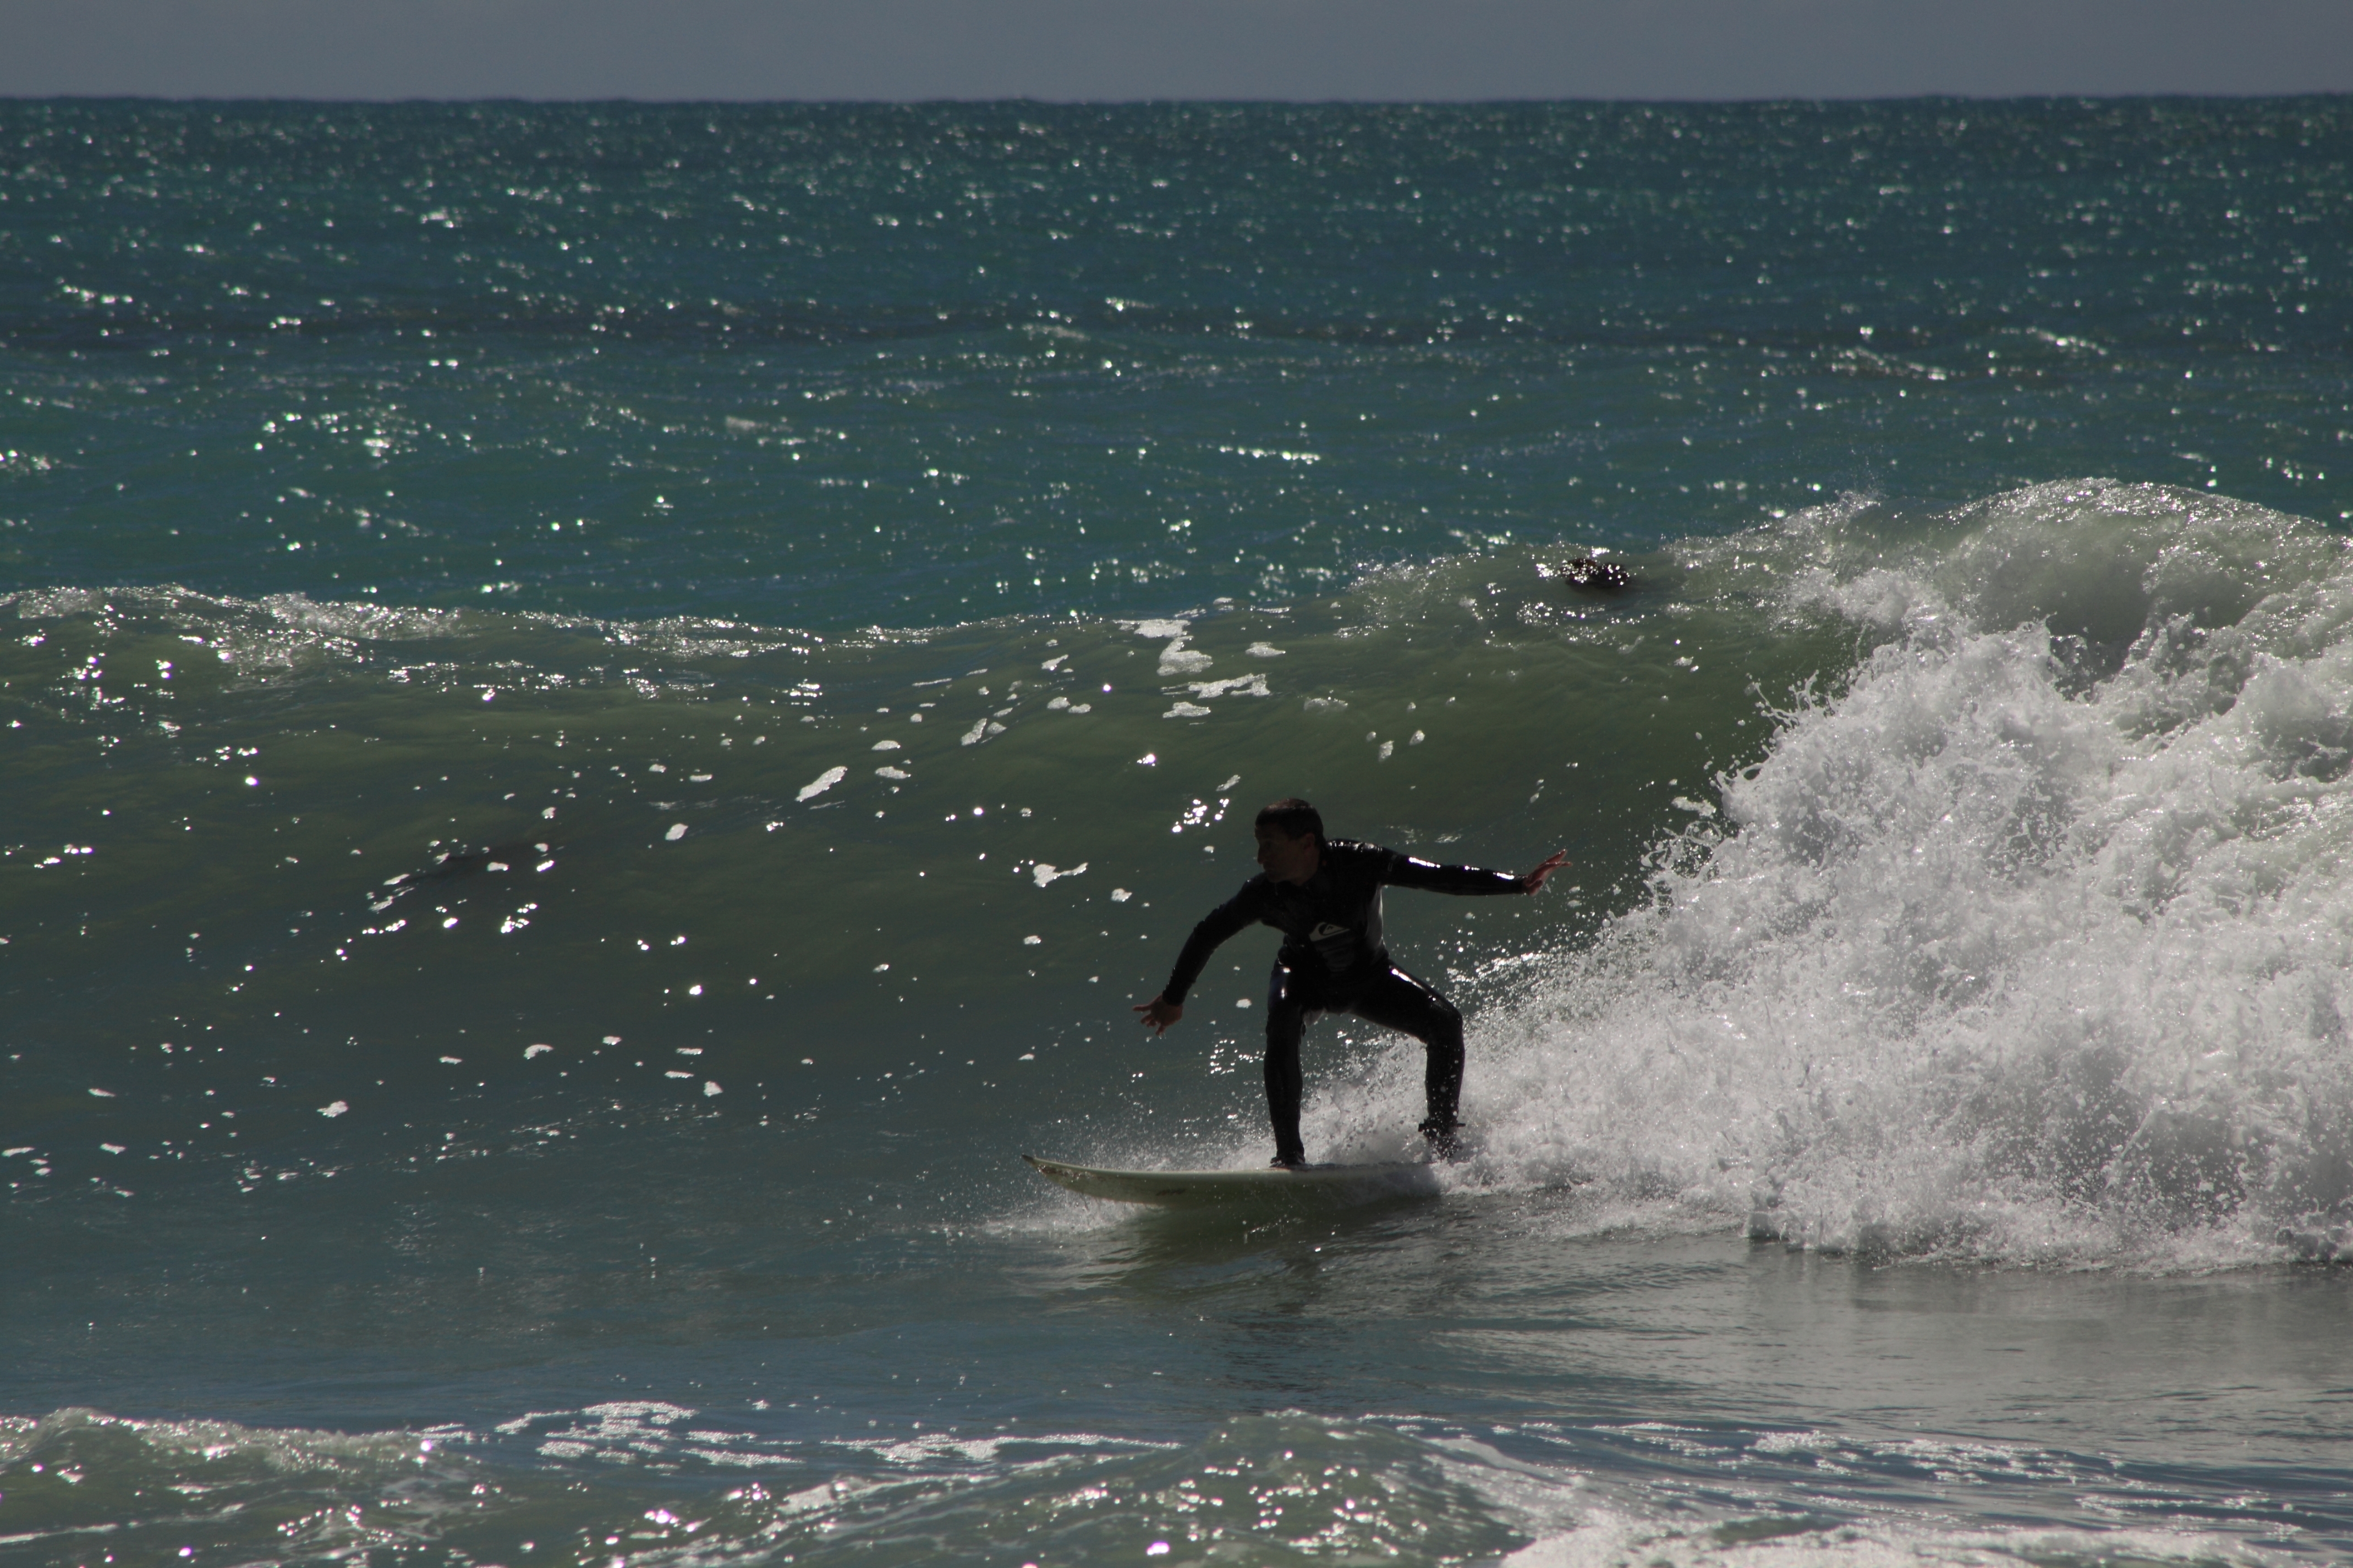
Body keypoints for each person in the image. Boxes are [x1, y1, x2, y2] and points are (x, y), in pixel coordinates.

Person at [1134, 798, 1567, 1168]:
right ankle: (1289, 1158)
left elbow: (1434, 876)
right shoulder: (1264, 894)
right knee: (1281, 1023)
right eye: (1258, 845)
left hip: (1368, 978)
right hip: (1303, 979)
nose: (1260, 857)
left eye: (1269, 845)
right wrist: (1173, 998)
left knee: (1445, 1022)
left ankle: (1441, 1139)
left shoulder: (1359, 863)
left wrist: (1517, 884)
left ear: (1306, 843)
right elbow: (1207, 932)